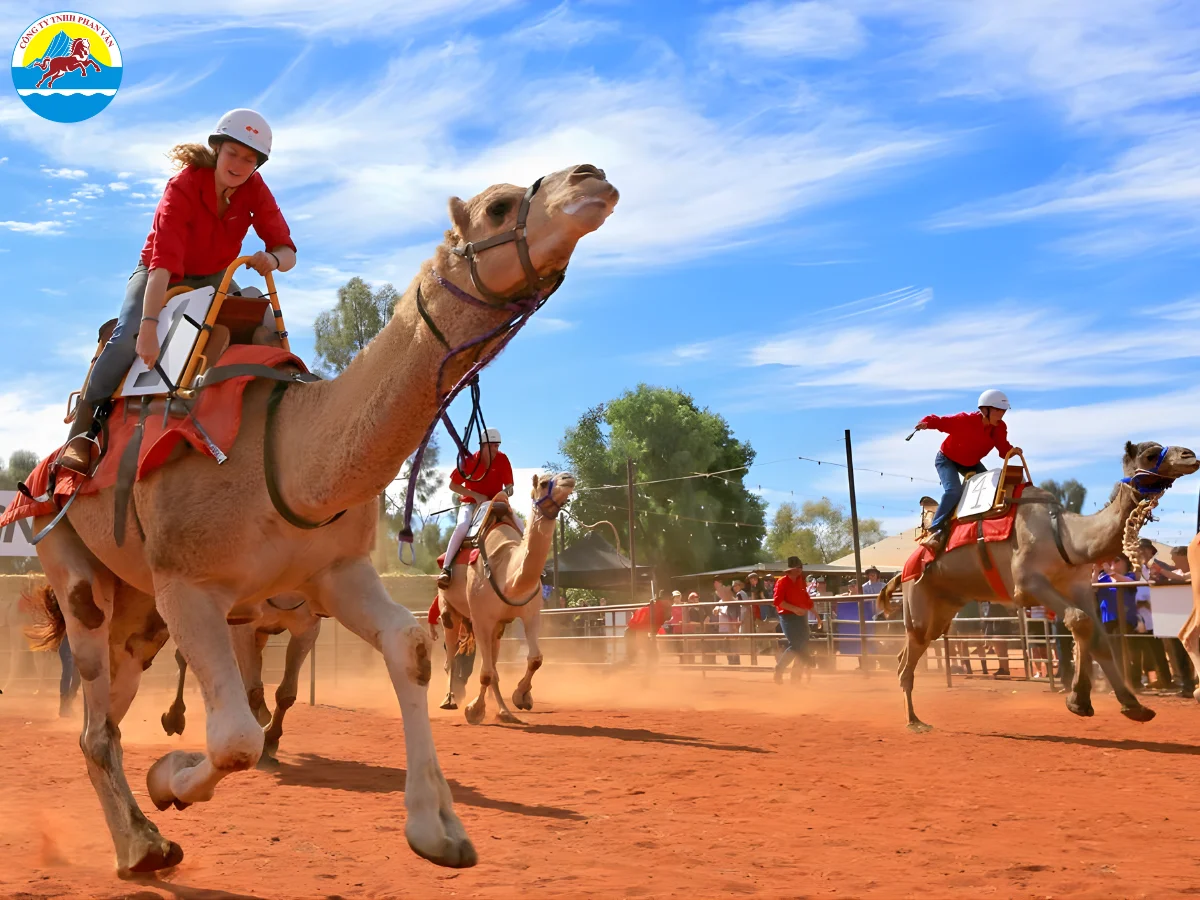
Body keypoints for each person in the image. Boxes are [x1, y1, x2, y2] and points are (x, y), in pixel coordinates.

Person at [60, 109, 296, 473]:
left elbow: (288, 251)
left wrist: (272, 259)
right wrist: (150, 327)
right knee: (128, 338)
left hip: (217, 273)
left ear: (257, 166)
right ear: (217, 149)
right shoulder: (183, 186)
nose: (239, 164)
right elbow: (162, 265)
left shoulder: (255, 191)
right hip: (162, 273)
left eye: (249, 159)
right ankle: (82, 433)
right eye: (233, 153)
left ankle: (276, 405)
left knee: (257, 314)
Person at [912, 390, 1022, 550]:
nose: (1001, 415)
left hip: (970, 463)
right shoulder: (965, 420)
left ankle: (983, 523)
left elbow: (1003, 450)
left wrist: (1013, 451)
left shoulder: (999, 428)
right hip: (946, 459)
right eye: (998, 411)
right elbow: (941, 421)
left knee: (993, 488)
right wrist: (925, 423)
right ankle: (935, 528)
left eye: (1003, 411)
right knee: (953, 491)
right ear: (985, 410)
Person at [438, 427, 515, 588]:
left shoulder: (502, 459)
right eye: (493, 446)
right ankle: (446, 569)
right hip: (471, 504)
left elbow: (510, 487)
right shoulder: (469, 462)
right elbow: (453, 485)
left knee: (518, 524)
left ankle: (527, 563)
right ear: (484, 446)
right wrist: (476, 496)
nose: (496, 449)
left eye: (497, 446)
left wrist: (503, 493)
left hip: (496, 504)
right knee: (462, 526)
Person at [773, 556, 818, 683]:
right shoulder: (782, 582)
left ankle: (795, 677)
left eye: (800, 567)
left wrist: (815, 613)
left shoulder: (801, 580)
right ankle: (780, 669)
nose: (799, 570)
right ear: (790, 569)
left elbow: (805, 598)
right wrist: (794, 609)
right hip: (787, 616)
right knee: (797, 644)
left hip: (801, 615)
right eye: (796, 567)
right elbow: (778, 601)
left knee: (802, 644)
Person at [623, 590, 674, 665]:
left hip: (632, 631)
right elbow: (667, 617)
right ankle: (649, 674)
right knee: (652, 653)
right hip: (637, 632)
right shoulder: (663, 606)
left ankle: (609, 670)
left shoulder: (655, 605)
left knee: (634, 658)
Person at [713, 580, 742, 665]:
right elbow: (715, 609)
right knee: (726, 645)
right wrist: (715, 610)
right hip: (723, 627)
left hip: (731, 627)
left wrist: (720, 610)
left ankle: (736, 661)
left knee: (734, 645)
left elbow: (734, 614)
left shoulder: (733, 600)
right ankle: (730, 660)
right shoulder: (720, 601)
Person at [57, 634, 81, 717]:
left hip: (75, 646)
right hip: (67, 645)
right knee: (68, 672)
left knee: (77, 677)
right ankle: (64, 705)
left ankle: (68, 703)